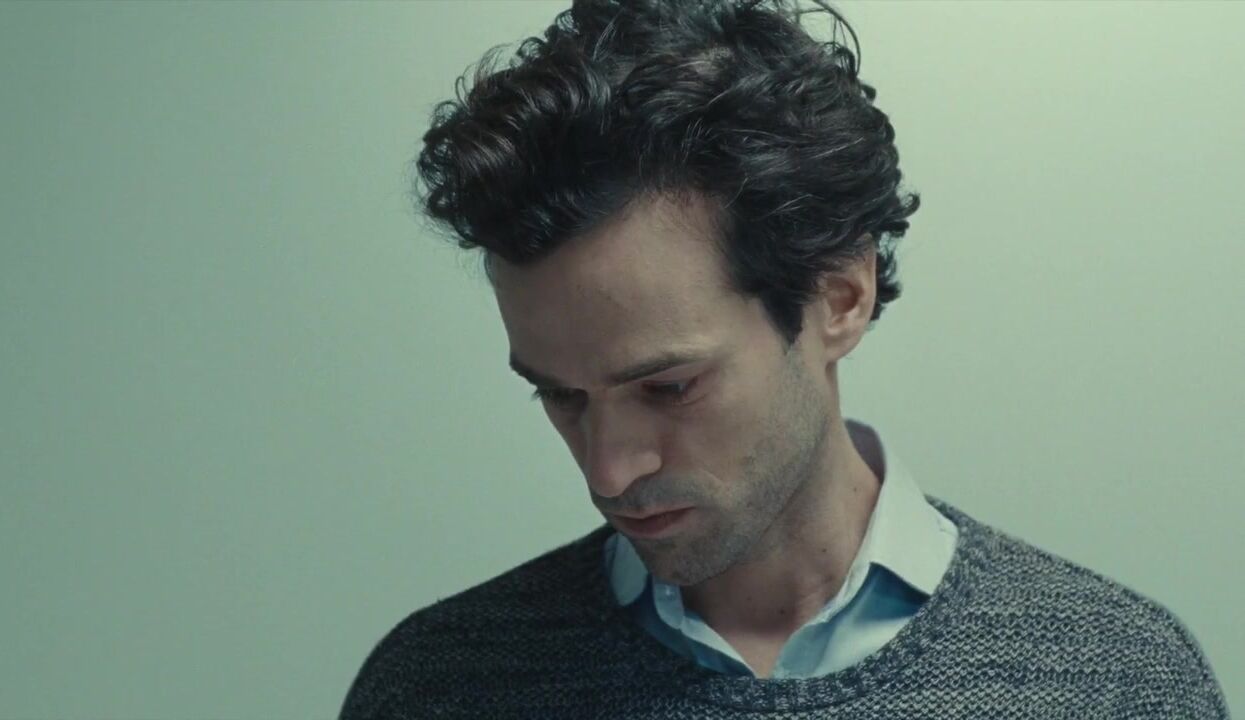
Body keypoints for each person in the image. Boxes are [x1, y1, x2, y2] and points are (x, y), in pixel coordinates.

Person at [340, 1, 1229, 717]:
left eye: (668, 387)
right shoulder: (440, 687)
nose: (609, 471)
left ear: (840, 298)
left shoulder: (1115, 683)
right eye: (561, 397)